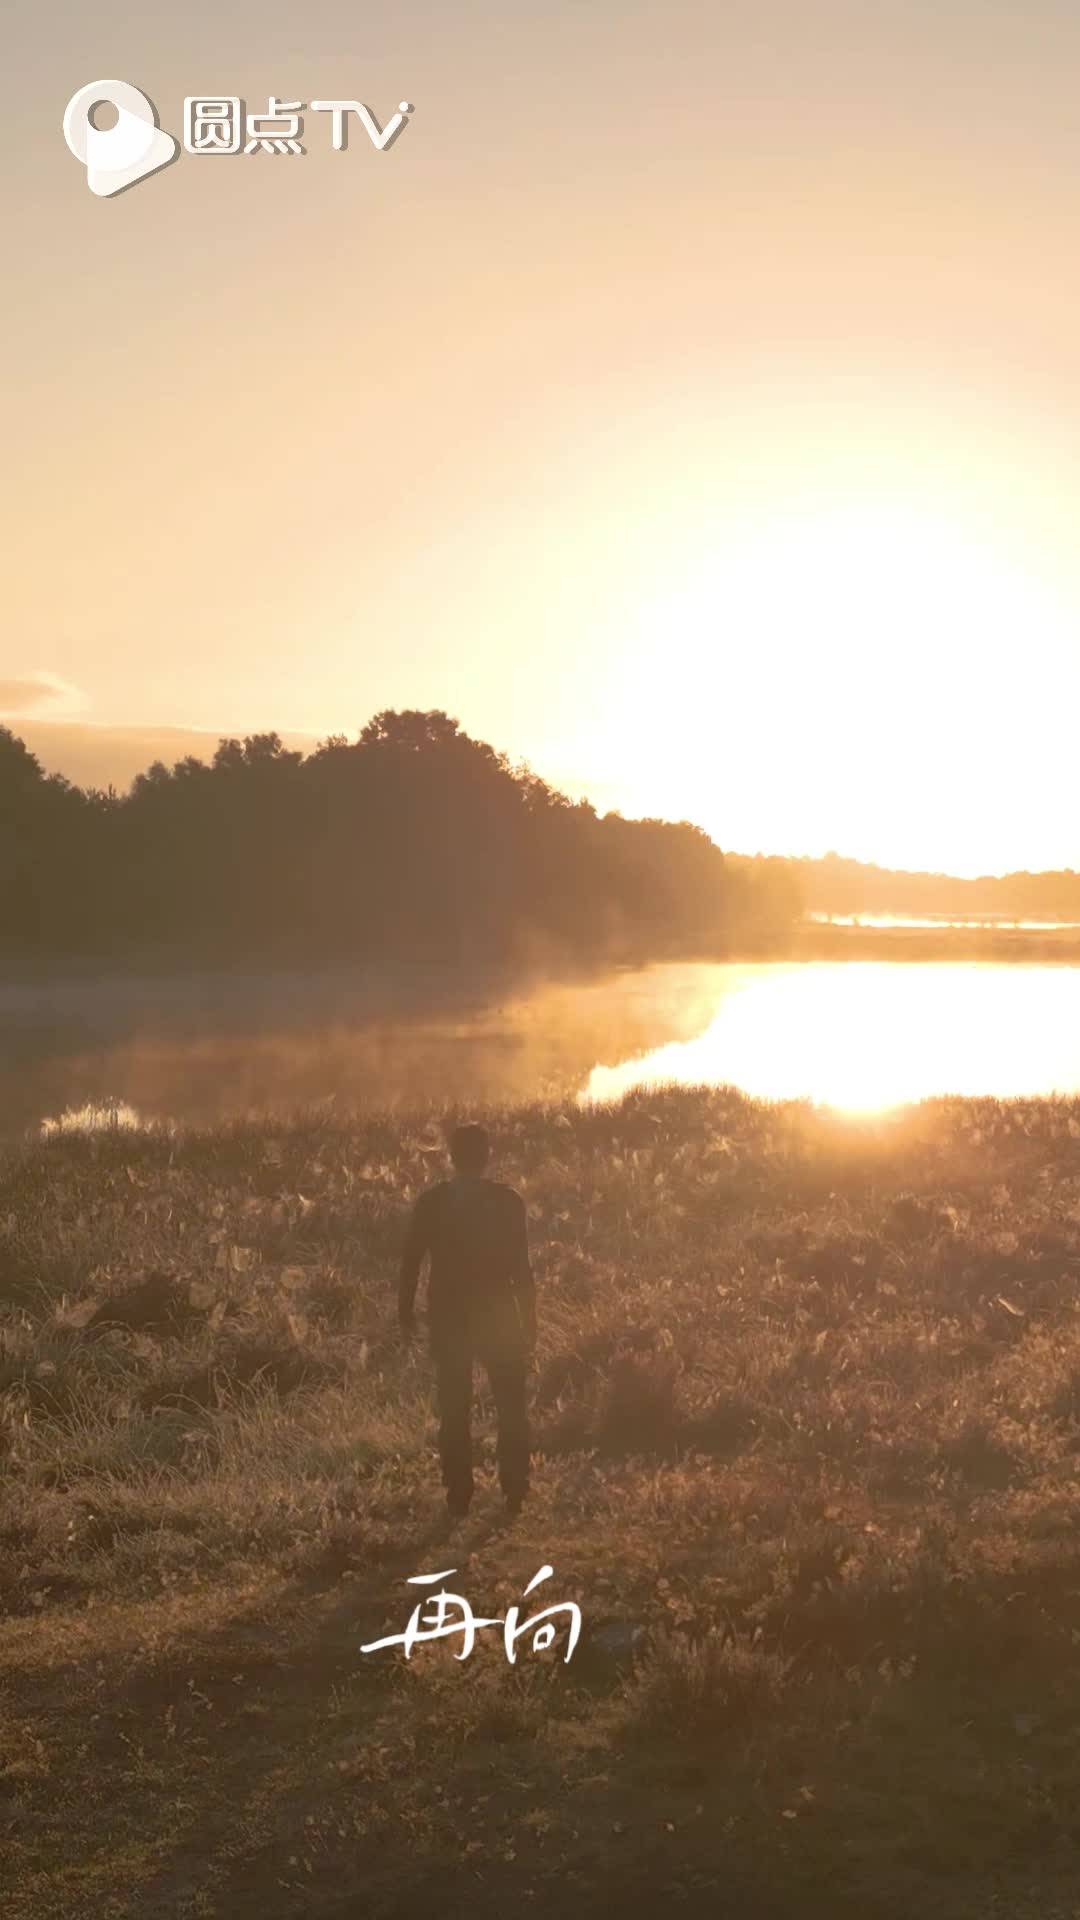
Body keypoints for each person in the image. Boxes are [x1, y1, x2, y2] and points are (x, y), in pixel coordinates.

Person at [398, 1123, 535, 1519]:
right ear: (487, 1155)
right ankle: (514, 1488)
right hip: (499, 1314)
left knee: (454, 1407)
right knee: (510, 1406)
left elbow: (411, 1261)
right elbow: (523, 1269)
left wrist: (405, 1313)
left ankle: (459, 1492)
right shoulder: (509, 1202)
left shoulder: (432, 1203)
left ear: (451, 1157)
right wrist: (530, 1319)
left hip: (449, 1315)